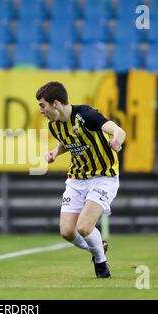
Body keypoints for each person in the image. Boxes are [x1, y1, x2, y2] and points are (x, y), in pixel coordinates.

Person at [36, 82, 126, 278]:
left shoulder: (87, 115)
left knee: (84, 227)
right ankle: (98, 248)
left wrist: (117, 139)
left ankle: (101, 264)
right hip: (76, 179)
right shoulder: (54, 126)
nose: (41, 111)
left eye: (43, 106)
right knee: (67, 232)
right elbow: (67, 141)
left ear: (56, 103)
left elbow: (117, 130)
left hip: (103, 177)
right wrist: (55, 152)